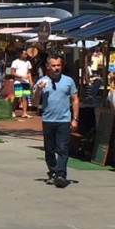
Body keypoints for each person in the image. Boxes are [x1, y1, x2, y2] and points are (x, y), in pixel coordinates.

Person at [33, 54, 78, 189]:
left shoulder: (68, 81)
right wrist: (39, 90)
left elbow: (75, 99)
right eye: (53, 65)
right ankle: (53, 171)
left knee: (63, 148)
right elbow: (35, 102)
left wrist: (75, 119)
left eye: (58, 65)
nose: (56, 68)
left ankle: (61, 175)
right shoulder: (42, 81)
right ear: (48, 67)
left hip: (64, 120)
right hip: (48, 120)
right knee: (49, 150)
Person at [11, 49, 33, 118]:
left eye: (26, 54)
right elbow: (12, 72)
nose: (26, 55)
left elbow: (29, 72)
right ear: (20, 54)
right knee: (17, 96)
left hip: (25, 82)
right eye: (24, 54)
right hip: (18, 82)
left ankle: (24, 113)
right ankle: (12, 111)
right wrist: (21, 76)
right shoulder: (15, 62)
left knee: (25, 97)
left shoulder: (28, 62)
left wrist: (30, 81)